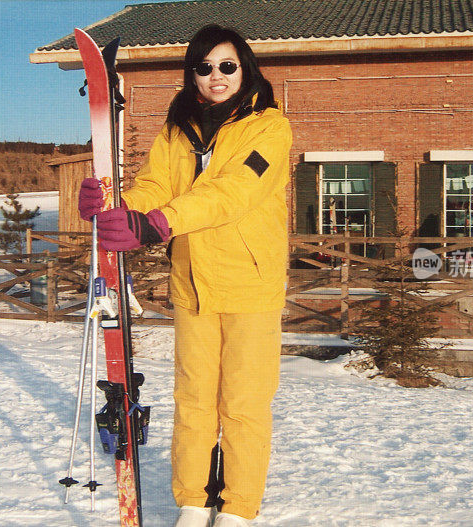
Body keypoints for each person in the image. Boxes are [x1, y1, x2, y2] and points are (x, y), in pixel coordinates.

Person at [78, 24, 292, 527]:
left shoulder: (270, 129)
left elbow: (233, 192)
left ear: (245, 68)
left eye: (226, 66)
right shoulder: (177, 131)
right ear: (192, 74)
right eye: (204, 67)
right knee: (193, 401)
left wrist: (158, 224)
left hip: (250, 288)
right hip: (192, 286)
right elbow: (156, 184)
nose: (215, 77)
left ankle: (238, 508)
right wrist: (121, 207)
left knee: (242, 403)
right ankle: (193, 502)